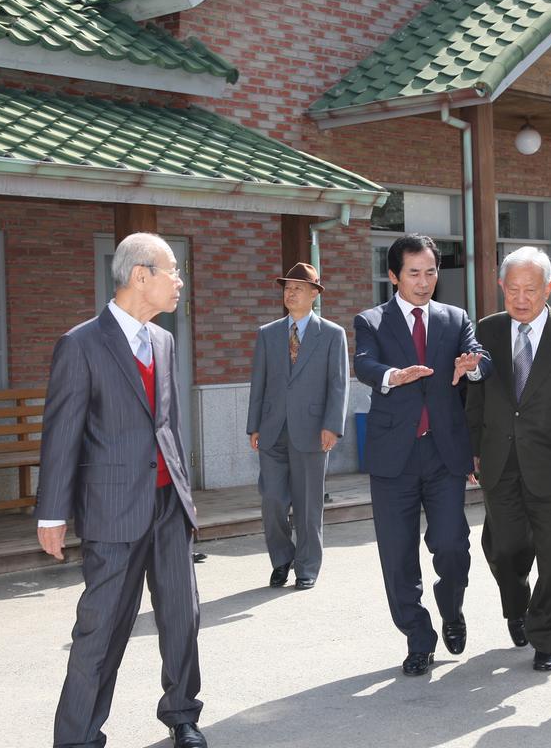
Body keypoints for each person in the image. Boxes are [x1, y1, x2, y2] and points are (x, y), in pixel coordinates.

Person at [35, 233, 206, 748]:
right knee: (101, 630)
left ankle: (182, 715)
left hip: (167, 506)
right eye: (171, 271)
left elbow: (168, 424)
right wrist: (51, 514)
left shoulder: (164, 340)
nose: (179, 281)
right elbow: (62, 432)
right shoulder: (81, 344)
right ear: (140, 276)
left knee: (182, 619)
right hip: (112, 510)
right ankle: (78, 737)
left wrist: (184, 493)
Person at [354, 234, 491, 677]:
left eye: (431, 271)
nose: (424, 281)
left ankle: (452, 608)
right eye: (414, 272)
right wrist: (395, 375)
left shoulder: (454, 318)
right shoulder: (372, 320)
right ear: (394, 275)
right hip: (393, 456)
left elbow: (481, 355)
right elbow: (364, 364)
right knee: (398, 557)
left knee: (452, 545)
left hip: (444, 452)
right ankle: (418, 636)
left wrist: (474, 364)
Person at [465, 246, 551, 672]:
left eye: (531, 289)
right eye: (513, 290)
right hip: (498, 457)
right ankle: (518, 606)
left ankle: (548, 635)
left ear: (549, 288)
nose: (521, 299)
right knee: (502, 547)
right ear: (502, 287)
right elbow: (475, 396)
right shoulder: (485, 331)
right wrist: (471, 449)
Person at [246, 262, 349, 590]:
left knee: (308, 505)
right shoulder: (268, 334)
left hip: (314, 430)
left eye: (298, 288)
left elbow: (338, 384)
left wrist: (332, 425)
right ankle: (281, 558)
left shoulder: (332, 334)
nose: (290, 293)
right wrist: (254, 426)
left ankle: (307, 568)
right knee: (273, 499)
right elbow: (258, 382)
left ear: (314, 295)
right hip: (272, 429)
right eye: (287, 288)